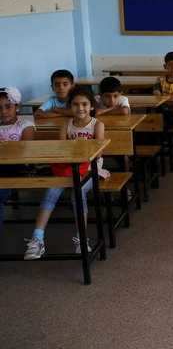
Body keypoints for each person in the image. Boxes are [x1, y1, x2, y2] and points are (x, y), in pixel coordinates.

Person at [24, 87, 110, 260]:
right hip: (69, 168)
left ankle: (82, 239)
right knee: (51, 192)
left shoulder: (97, 125)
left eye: (84, 104)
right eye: (75, 104)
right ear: (70, 107)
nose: (80, 108)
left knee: (77, 194)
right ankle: (37, 239)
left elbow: (98, 152)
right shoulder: (66, 125)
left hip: (91, 168)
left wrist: (78, 147)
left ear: (91, 106)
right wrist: (74, 151)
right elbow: (62, 150)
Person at [0, 87, 34, 231]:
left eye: (8, 106)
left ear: (17, 107)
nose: (3, 111)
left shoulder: (25, 125)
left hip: (16, 168)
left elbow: (23, 150)